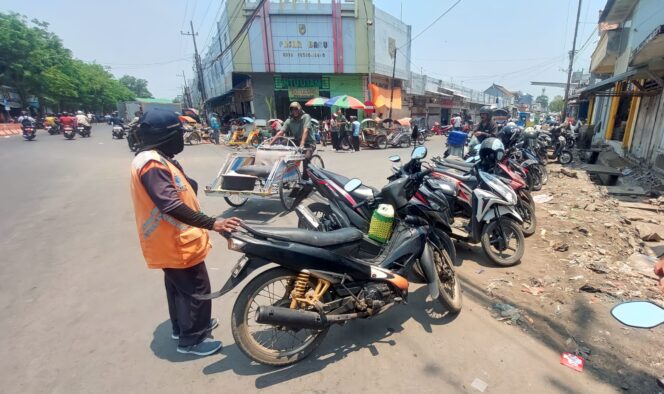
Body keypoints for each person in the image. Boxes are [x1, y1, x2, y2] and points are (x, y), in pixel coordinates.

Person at [129, 109, 242, 356]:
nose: (182, 138)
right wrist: (213, 223)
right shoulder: (152, 164)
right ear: (165, 135)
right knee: (196, 289)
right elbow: (169, 205)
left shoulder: (158, 157)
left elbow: (182, 187)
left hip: (171, 240)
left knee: (178, 288)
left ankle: (183, 328)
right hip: (174, 240)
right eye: (179, 134)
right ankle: (193, 339)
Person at [271, 102, 316, 177]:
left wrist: (302, 144)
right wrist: (270, 144)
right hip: (297, 141)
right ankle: (287, 172)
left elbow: (305, 131)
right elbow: (281, 132)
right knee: (283, 145)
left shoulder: (305, 117)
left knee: (306, 157)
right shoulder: (289, 120)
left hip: (309, 143)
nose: (294, 111)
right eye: (292, 109)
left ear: (300, 109)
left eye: (296, 109)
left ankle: (306, 178)